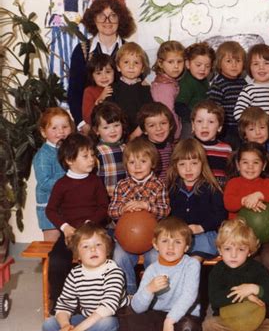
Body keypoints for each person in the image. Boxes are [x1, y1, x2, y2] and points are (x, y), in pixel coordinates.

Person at [36, 223, 128, 331]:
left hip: (110, 317)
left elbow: (108, 308)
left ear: (108, 250)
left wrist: (77, 330)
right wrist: (66, 325)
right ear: (77, 255)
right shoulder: (75, 274)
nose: (93, 249)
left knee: (109, 325)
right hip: (87, 318)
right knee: (48, 325)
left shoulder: (114, 272)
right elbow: (64, 304)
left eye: (98, 245)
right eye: (85, 246)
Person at [117, 217, 203, 331]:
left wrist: (170, 321)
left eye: (177, 242)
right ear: (155, 245)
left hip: (183, 316)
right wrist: (149, 290)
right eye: (165, 241)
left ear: (187, 247)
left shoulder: (192, 264)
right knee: (124, 321)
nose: (171, 247)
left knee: (189, 327)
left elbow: (188, 296)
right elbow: (137, 308)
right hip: (158, 315)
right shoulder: (152, 269)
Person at [202, 218, 269, 331]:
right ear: (219, 250)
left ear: (249, 251)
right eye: (228, 249)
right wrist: (244, 295)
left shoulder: (257, 269)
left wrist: (255, 289)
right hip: (227, 321)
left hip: (255, 322)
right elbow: (215, 300)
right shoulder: (217, 271)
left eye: (241, 249)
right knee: (209, 326)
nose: (233, 255)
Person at [45, 134, 109, 310]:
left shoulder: (95, 181)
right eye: (85, 156)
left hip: (93, 233)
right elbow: (50, 210)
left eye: (92, 155)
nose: (91, 160)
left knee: (107, 257)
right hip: (70, 235)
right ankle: (59, 302)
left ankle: (103, 300)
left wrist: (90, 223)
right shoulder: (62, 184)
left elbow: (104, 207)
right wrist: (65, 228)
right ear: (70, 160)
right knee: (57, 260)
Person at [108, 138, 170, 294]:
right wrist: (122, 209)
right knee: (119, 256)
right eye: (132, 162)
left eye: (143, 161)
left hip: (152, 239)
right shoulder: (122, 185)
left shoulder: (158, 185)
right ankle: (129, 292)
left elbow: (165, 210)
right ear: (126, 165)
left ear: (153, 163)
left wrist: (147, 206)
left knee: (156, 258)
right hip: (126, 239)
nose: (137, 166)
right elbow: (111, 210)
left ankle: (152, 293)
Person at [67, 0, 136, 126]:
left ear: (120, 20)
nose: (107, 21)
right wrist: (82, 124)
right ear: (93, 19)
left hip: (124, 123)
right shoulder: (82, 50)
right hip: (91, 123)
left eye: (113, 16)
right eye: (101, 15)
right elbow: (74, 92)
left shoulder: (130, 51)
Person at [224, 142, 269, 284]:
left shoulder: (267, 183)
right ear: (238, 165)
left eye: (255, 162)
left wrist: (258, 195)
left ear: (264, 166)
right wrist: (244, 200)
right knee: (250, 264)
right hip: (240, 239)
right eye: (245, 162)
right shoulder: (233, 183)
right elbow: (228, 203)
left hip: (265, 239)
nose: (250, 167)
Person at [167, 138, 227, 261]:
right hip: (179, 237)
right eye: (182, 164)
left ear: (202, 164)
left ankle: (192, 271)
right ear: (175, 166)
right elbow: (168, 216)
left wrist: (202, 227)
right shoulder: (172, 189)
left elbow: (220, 215)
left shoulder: (211, 188)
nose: (188, 169)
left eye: (194, 163)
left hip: (204, 235)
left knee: (194, 260)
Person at [33, 107, 74, 242]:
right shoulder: (43, 155)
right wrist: (69, 183)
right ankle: (51, 263)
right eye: (54, 128)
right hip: (49, 207)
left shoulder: (70, 151)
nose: (60, 132)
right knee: (52, 243)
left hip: (67, 206)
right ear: (44, 132)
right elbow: (44, 183)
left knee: (70, 242)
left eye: (65, 127)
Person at [107, 42, 153, 139]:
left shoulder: (145, 89)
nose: (131, 66)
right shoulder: (112, 88)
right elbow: (107, 115)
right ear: (118, 67)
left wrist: (136, 134)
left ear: (142, 68)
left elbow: (148, 115)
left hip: (140, 136)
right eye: (126, 62)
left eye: (136, 62)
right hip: (116, 136)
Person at [207, 41, 247, 149]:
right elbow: (214, 109)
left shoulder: (243, 83)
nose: (234, 65)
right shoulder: (218, 85)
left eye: (238, 61)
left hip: (243, 127)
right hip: (226, 129)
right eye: (228, 61)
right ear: (219, 63)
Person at [175, 42, 215, 138]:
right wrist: (193, 120)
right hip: (189, 123)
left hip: (202, 121)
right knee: (189, 146)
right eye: (198, 65)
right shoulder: (187, 82)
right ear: (188, 64)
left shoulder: (204, 80)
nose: (203, 69)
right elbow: (179, 105)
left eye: (207, 66)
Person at [191, 100, 232, 188]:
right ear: (193, 126)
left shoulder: (226, 149)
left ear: (220, 127)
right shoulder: (188, 147)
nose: (204, 126)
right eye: (199, 121)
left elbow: (230, 174)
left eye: (211, 122)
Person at [90, 101, 127, 198]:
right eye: (106, 127)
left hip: (126, 198)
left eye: (116, 125)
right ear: (96, 130)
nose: (113, 131)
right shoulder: (96, 152)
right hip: (104, 198)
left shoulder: (127, 148)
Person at [233, 43, 269, 121]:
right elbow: (238, 113)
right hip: (256, 130)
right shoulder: (249, 90)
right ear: (249, 68)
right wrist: (254, 123)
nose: (261, 67)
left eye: (266, 63)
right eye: (256, 64)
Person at [151, 41, 185, 139]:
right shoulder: (164, 86)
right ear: (160, 63)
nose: (176, 66)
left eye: (179, 61)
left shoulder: (169, 81)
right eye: (170, 62)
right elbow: (168, 113)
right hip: (169, 135)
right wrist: (176, 134)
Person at [137, 102, 177, 182]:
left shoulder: (173, 147)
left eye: (163, 123)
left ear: (170, 125)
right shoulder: (141, 150)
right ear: (144, 130)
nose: (159, 128)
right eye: (152, 125)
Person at [81, 54, 115, 134]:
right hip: (97, 133)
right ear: (92, 76)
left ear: (114, 72)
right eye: (98, 73)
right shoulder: (89, 91)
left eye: (108, 72)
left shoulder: (118, 88)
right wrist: (100, 98)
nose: (104, 76)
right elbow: (87, 118)